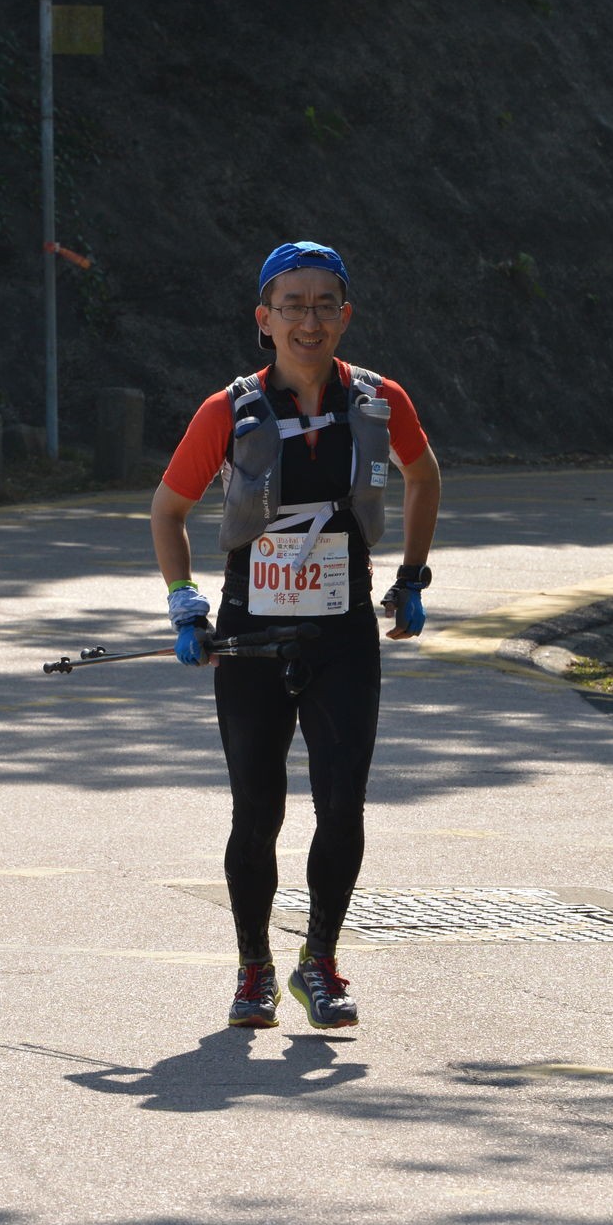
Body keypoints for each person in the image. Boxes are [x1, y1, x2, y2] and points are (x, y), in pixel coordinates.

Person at [150, 241, 440, 1030]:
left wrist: (412, 577)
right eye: (293, 306)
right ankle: (254, 968)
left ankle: (320, 961)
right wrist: (184, 603)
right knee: (257, 810)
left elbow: (424, 475)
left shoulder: (380, 400)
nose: (309, 321)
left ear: (345, 315)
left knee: (342, 806)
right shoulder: (229, 409)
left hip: (343, 636)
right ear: (265, 318)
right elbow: (168, 511)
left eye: (323, 305)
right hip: (251, 635)